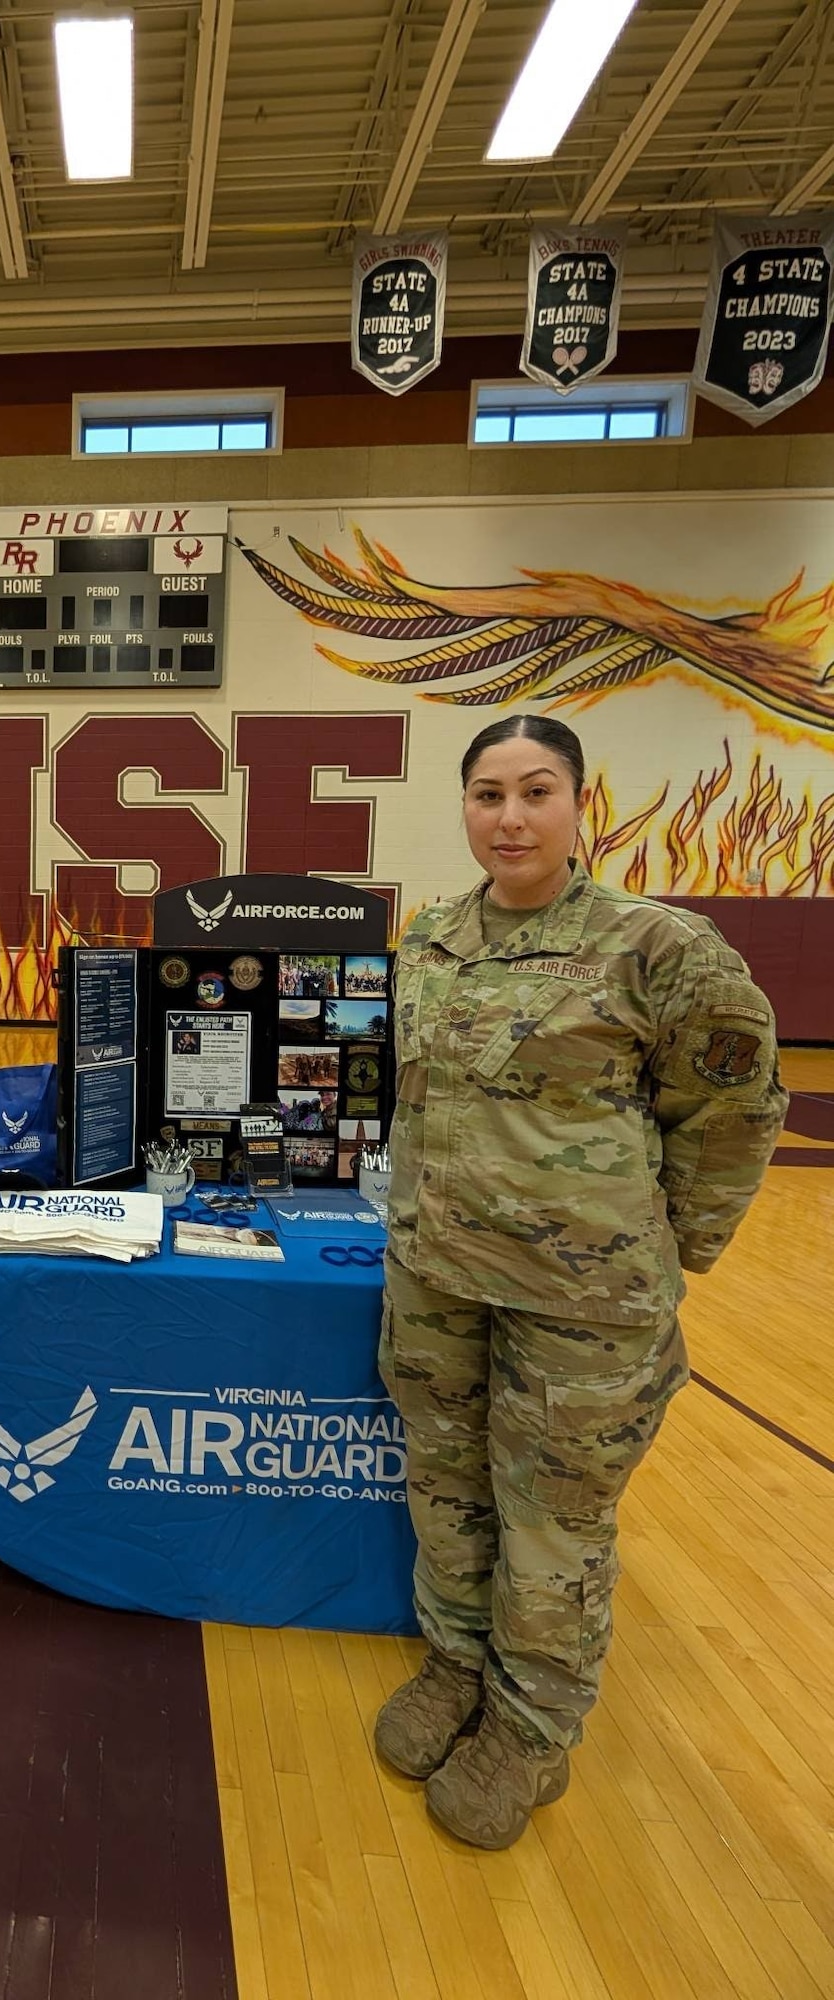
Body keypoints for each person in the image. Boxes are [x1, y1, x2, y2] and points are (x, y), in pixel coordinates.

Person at [376, 714, 786, 1850]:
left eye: (536, 791)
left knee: (556, 1518)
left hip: (583, 1306)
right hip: (436, 1280)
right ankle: (458, 1662)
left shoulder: (657, 947)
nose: (511, 816)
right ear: (464, 807)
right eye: (489, 793)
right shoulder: (433, 938)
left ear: (577, 803)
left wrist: (668, 1246)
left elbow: (738, 1107)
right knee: (448, 1485)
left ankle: (530, 1722)